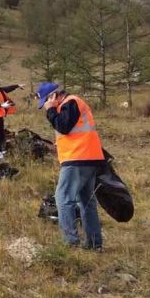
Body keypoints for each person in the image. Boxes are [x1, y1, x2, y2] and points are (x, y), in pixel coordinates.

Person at [37, 82, 105, 251]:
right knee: (86, 201)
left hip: (77, 158)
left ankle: (70, 243)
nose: (45, 105)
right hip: (89, 157)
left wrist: (51, 110)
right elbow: (70, 130)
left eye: (46, 101)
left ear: (53, 96)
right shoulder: (72, 104)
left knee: (63, 199)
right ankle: (93, 244)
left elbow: (63, 126)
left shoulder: (70, 102)